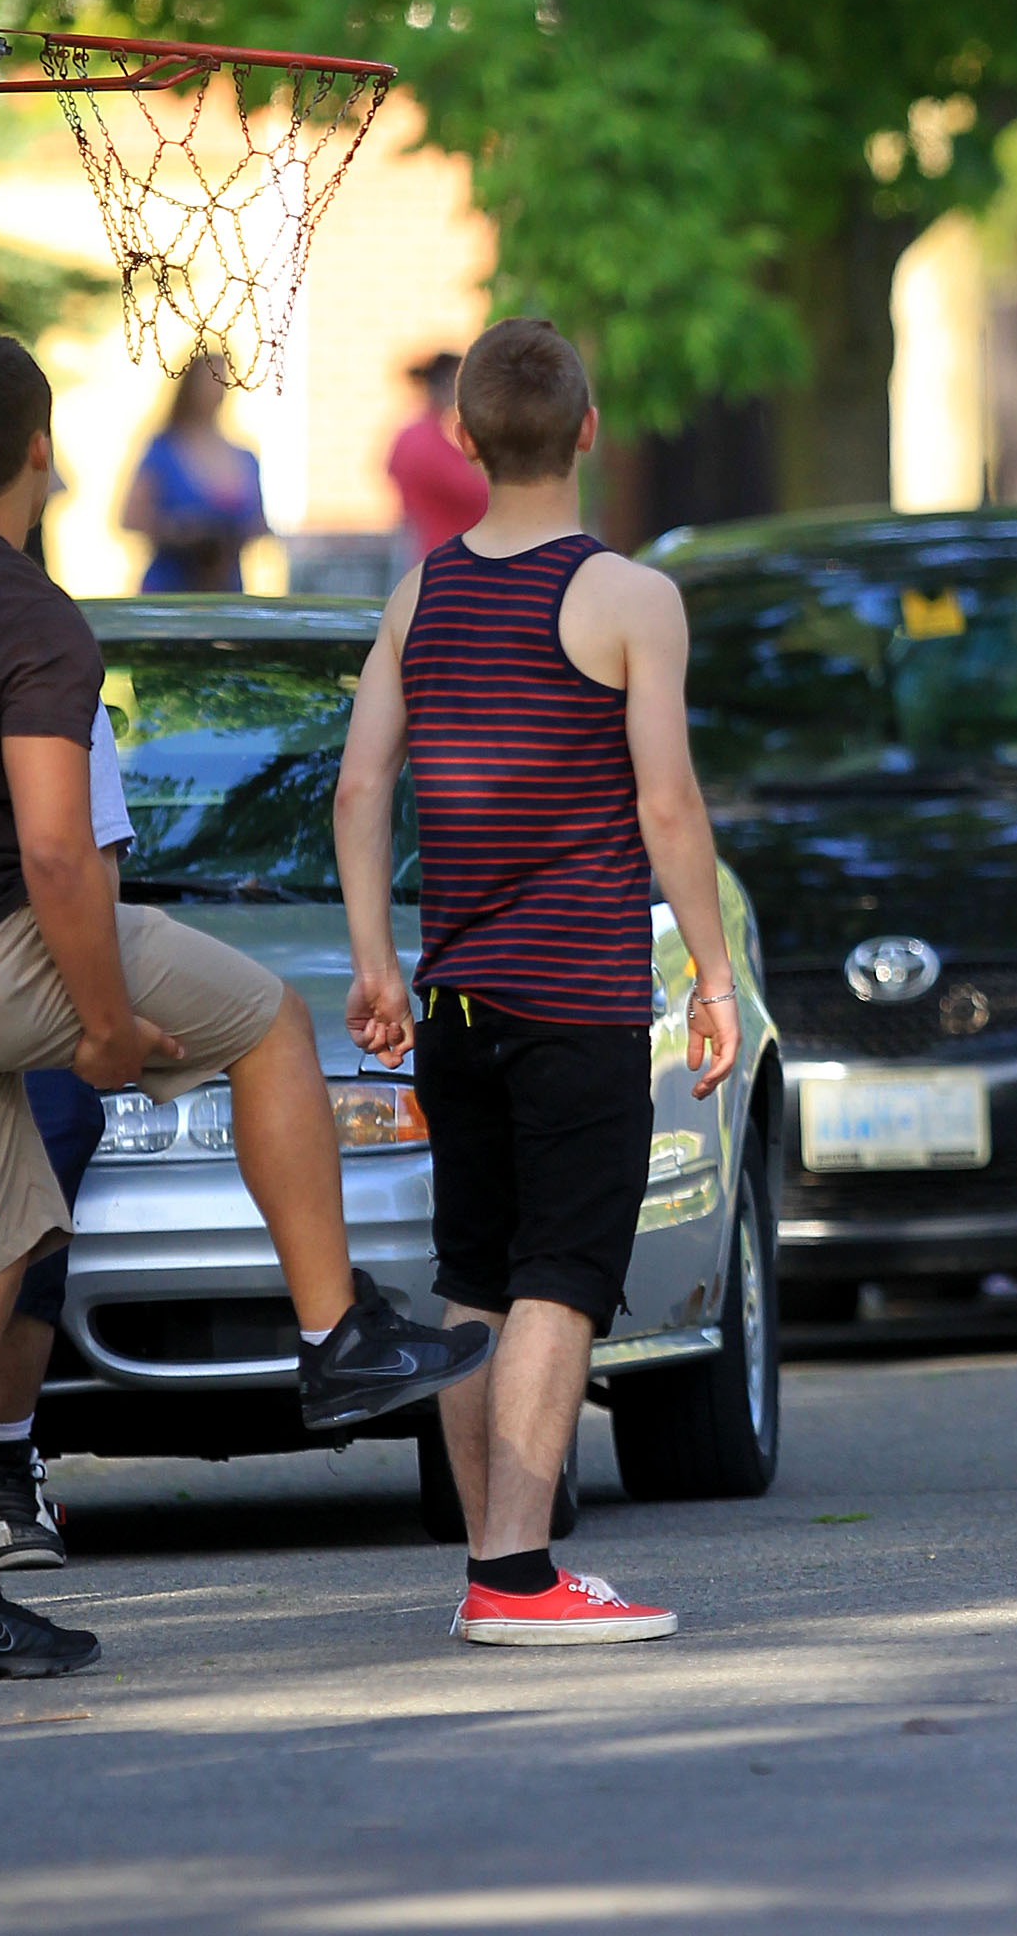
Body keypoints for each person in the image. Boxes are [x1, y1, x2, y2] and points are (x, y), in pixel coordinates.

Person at [0, 332, 495, 1682]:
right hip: (1, 948)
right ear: (38, 453)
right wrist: (108, 1024)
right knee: (257, 1019)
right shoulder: (28, 615)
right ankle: (336, 1334)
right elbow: (63, 856)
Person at [334, 316, 742, 1648]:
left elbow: (357, 789)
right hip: (575, 1003)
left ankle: (487, 1564)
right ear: (587, 430)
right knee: (562, 1278)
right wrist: (717, 976)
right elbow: (669, 804)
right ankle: (517, 1578)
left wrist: (378, 965)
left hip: (452, 1006)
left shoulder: (419, 594)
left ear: (462, 440)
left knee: (473, 1280)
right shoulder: (630, 600)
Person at [0, 702, 130, 1572]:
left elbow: (86, 861)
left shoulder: (41, 642)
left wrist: (104, 1021)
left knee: (54, 1122)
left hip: (15, 970)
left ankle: (0, 1458)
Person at [121, 352, 267, 590]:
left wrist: (232, 535)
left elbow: (259, 524)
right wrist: (180, 531)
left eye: (223, 380)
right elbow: (130, 518)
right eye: (210, 379)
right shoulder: (163, 449)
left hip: (225, 591)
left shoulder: (245, 456)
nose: (217, 388)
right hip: (170, 590)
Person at [388, 351, 489, 561]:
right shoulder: (426, 441)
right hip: (446, 550)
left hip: (429, 545)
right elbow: (474, 491)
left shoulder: (413, 435)